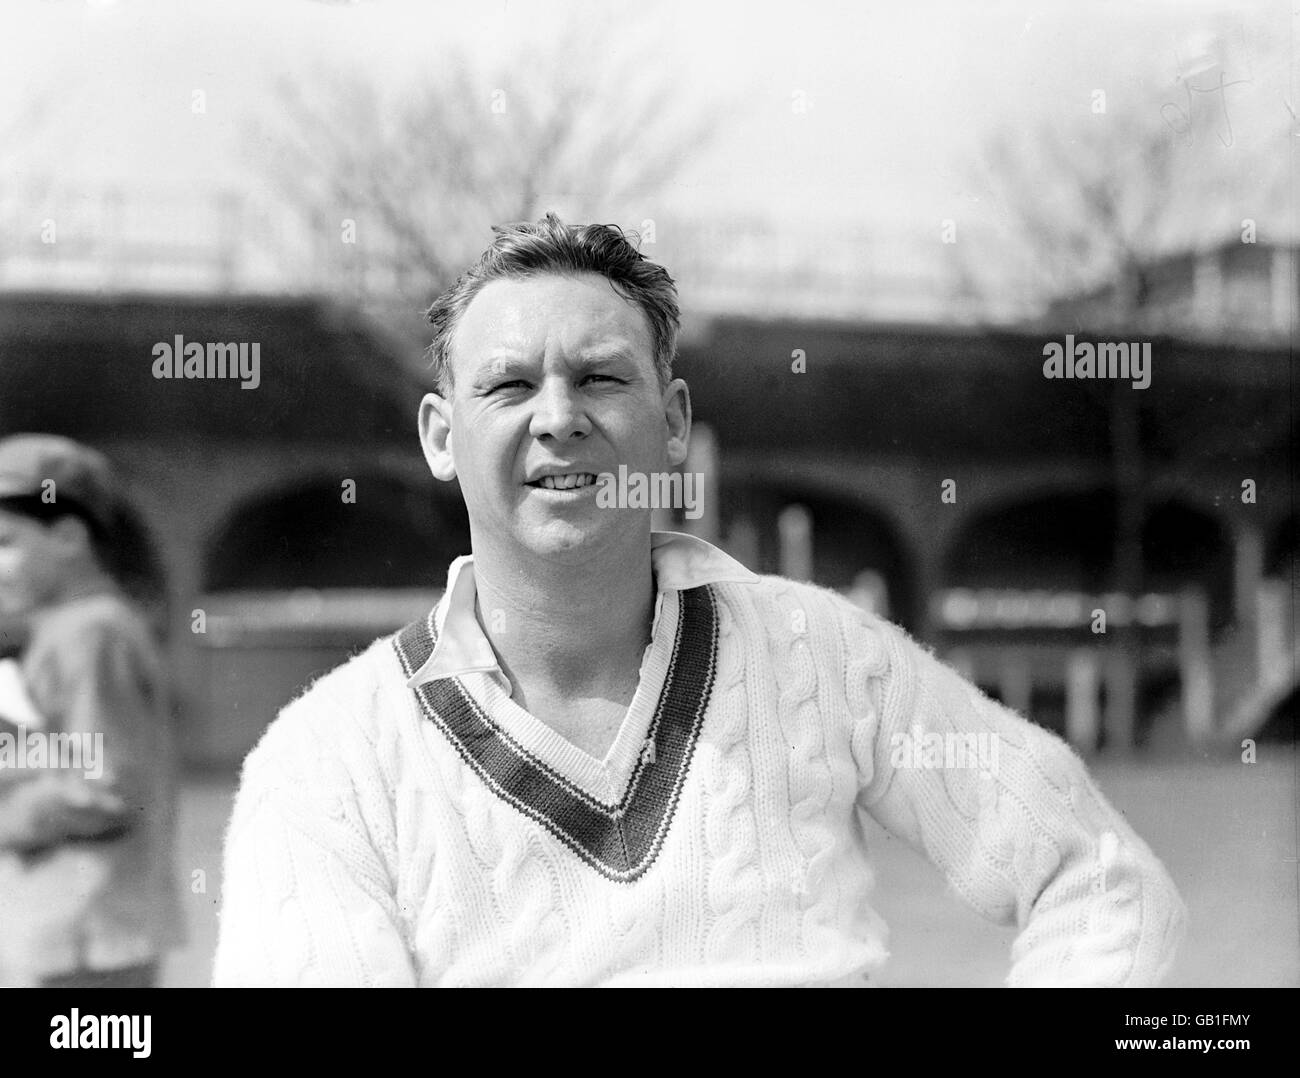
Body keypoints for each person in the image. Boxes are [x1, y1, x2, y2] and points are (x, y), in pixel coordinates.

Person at [213, 215, 1186, 987]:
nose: (558, 418)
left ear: (672, 422)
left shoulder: (822, 656)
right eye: (508, 385)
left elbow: (1100, 878)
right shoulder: (324, 763)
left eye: (600, 377)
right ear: (439, 434)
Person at [0, 434, 184, 988]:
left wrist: (9, 817)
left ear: (68, 536)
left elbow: (104, 786)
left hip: (90, 934)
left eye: (5, 541)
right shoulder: (63, 630)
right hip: (72, 927)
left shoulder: (92, 634)